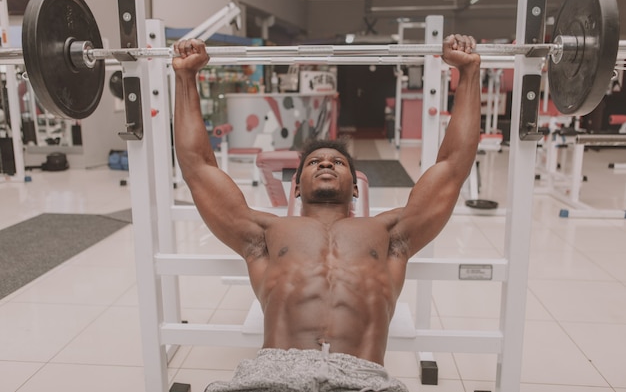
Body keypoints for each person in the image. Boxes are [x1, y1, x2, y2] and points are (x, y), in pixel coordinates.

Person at [172, 34, 481, 392]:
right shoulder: (263, 234)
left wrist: (469, 73)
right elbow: (197, 167)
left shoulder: (391, 234)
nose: (326, 163)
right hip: (273, 376)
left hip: (363, 380)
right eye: (315, 161)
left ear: (354, 187)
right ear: (297, 187)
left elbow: (453, 166)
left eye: (337, 162)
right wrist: (185, 77)